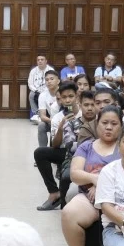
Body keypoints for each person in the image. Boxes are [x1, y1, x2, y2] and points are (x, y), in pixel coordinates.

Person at [62, 106, 123, 246]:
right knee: (69, 213)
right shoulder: (86, 147)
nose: (109, 127)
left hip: (120, 200)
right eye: (104, 123)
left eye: (114, 123)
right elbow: (75, 174)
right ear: (97, 124)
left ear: (121, 126)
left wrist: (103, 184)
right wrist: (94, 179)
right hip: (89, 199)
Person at [35, 80, 80, 211]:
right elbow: (55, 145)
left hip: (82, 151)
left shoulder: (85, 112)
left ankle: (66, 197)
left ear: (77, 96)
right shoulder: (57, 117)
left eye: (71, 96)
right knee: (40, 153)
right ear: (59, 99)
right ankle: (54, 192)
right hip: (64, 151)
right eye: (64, 97)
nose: (68, 100)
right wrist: (61, 127)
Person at [35, 68, 62, 146]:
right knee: (41, 125)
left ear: (58, 81)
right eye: (46, 80)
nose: (49, 81)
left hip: (66, 120)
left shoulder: (64, 92)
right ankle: (42, 150)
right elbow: (42, 116)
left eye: (52, 79)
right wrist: (53, 121)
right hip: (52, 121)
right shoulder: (43, 95)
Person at [27, 55, 49, 119]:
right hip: (36, 90)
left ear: (46, 61)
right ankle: (36, 114)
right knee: (31, 95)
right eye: (38, 60)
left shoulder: (50, 69)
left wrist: (44, 91)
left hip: (47, 90)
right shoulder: (33, 71)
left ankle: (47, 113)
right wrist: (36, 91)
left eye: (42, 59)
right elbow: (30, 83)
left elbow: (52, 82)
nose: (40, 61)